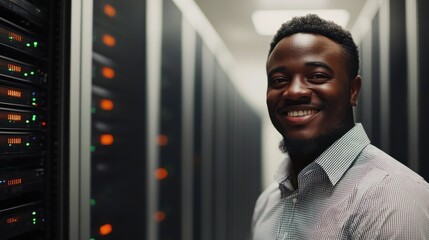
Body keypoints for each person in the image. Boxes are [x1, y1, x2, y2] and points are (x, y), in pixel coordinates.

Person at [251, 14, 429, 239]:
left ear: (353, 90)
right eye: (278, 80)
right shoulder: (267, 203)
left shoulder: (393, 197)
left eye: (316, 76)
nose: (294, 91)